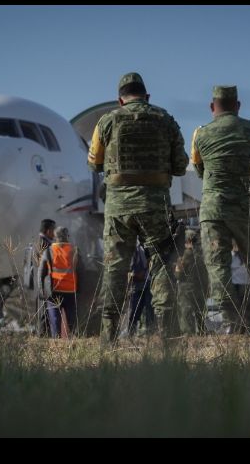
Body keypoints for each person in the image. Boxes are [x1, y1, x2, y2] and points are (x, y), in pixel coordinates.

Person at [88, 72, 189, 344]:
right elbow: (181, 165)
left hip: (119, 208)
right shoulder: (165, 120)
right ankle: (165, 335)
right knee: (161, 265)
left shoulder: (106, 121)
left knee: (115, 268)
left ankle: (108, 338)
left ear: (120, 100)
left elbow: (94, 163)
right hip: (155, 205)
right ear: (147, 97)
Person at [191, 85, 250, 336]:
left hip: (214, 209)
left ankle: (233, 322)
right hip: (245, 208)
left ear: (212, 107)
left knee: (217, 265)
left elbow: (200, 170)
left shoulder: (201, 134)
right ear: (238, 106)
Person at [39, 226, 79, 338]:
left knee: (55, 321)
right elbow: (81, 270)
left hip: (53, 291)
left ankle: (56, 343)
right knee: (72, 321)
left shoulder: (48, 251)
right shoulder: (75, 250)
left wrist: (41, 291)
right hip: (71, 290)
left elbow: (41, 273)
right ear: (67, 236)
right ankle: (72, 340)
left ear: (55, 237)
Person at [175, 229, 209, 335]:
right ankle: (202, 333)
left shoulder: (183, 255)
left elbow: (178, 274)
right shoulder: (203, 254)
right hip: (201, 287)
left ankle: (188, 336)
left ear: (187, 241)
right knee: (200, 312)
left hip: (186, 289)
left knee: (186, 313)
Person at [126, 240, 155, 337]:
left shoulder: (148, 245)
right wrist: (135, 274)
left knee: (149, 310)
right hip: (137, 283)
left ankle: (150, 333)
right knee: (135, 310)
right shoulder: (135, 247)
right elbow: (129, 267)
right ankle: (131, 333)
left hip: (149, 282)